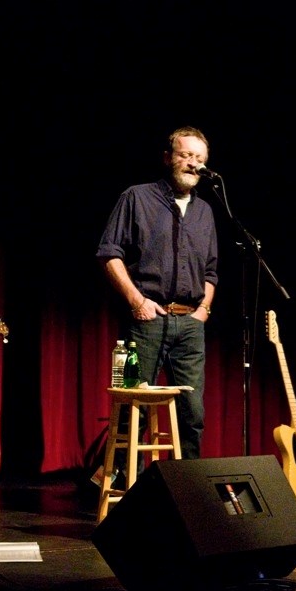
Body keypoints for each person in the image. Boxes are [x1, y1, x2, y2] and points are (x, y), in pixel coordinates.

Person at [95, 125, 218, 469]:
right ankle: (121, 483)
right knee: (132, 414)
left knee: (192, 413)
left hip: (190, 325)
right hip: (146, 322)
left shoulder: (205, 211)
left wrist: (203, 309)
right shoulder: (137, 197)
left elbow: (211, 270)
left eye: (199, 158)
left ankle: (189, 488)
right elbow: (109, 253)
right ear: (168, 158)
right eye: (185, 155)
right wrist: (136, 301)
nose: (193, 163)